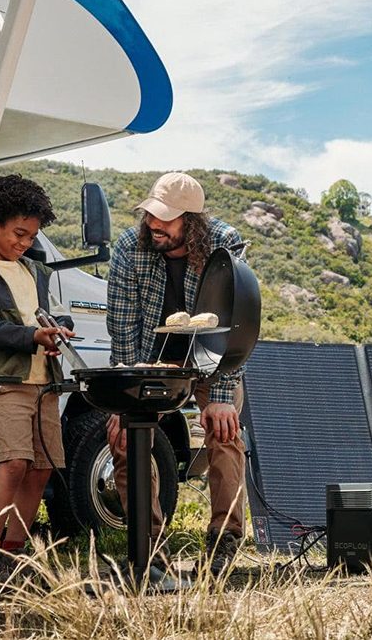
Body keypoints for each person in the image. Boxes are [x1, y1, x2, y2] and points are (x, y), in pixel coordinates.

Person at [106, 171, 249, 576]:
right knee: (123, 437)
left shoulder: (226, 244)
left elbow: (237, 324)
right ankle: (148, 549)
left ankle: (225, 542)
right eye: (151, 214)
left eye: (166, 219)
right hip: (151, 357)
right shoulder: (129, 248)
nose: (154, 225)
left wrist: (220, 395)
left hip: (212, 355)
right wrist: (122, 399)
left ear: (193, 222)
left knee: (225, 433)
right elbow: (123, 329)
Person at [0, 174, 75, 580]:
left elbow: (57, 311)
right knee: (14, 463)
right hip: (7, 382)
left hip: (45, 383)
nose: (24, 243)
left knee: (41, 468)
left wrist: (59, 330)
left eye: (31, 236)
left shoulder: (36, 271)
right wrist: (34, 335)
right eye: (18, 233)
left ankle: (14, 551)